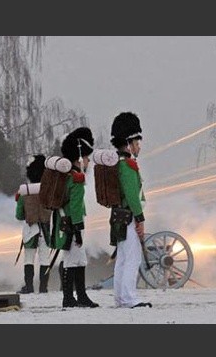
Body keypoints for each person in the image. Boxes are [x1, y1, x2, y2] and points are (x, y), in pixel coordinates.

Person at [50, 127, 99, 308]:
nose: (87, 161)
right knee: (74, 260)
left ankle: (75, 296)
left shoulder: (65, 176)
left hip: (65, 223)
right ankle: (73, 297)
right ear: (79, 158)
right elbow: (76, 207)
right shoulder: (77, 178)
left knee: (75, 259)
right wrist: (78, 229)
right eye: (86, 158)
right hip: (73, 224)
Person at [109, 112, 152, 309]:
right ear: (129, 142)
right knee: (132, 259)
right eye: (137, 141)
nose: (139, 145)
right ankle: (129, 298)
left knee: (123, 259)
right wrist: (140, 218)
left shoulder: (119, 163)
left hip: (120, 217)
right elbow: (132, 195)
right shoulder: (127, 165)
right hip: (128, 217)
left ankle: (120, 297)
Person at [15, 154, 52, 294]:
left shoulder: (25, 192)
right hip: (46, 229)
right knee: (44, 259)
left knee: (28, 259)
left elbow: (18, 215)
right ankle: (43, 288)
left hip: (30, 229)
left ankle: (29, 287)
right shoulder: (48, 191)